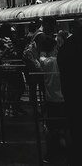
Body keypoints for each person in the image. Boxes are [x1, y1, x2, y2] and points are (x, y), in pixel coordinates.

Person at [57, 19, 82, 166]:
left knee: (75, 126)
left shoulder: (67, 46)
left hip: (72, 93)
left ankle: (76, 155)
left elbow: (62, 66)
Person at [39, 35, 65, 164]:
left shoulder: (44, 62)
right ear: (54, 48)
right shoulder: (59, 61)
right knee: (64, 126)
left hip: (50, 98)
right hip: (63, 98)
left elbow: (41, 57)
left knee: (51, 127)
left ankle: (50, 153)